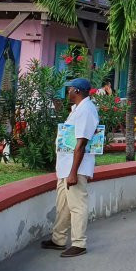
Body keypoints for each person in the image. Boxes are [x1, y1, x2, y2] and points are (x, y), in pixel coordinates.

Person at [41, 78, 99, 258]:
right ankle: (58, 239)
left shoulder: (86, 111)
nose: (68, 92)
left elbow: (81, 143)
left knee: (77, 205)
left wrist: (73, 173)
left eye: (70, 89)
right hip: (66, 167)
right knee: (64, 205)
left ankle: (79, 243)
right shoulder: (78, 109)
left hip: (75, 168)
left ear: (78, 91)